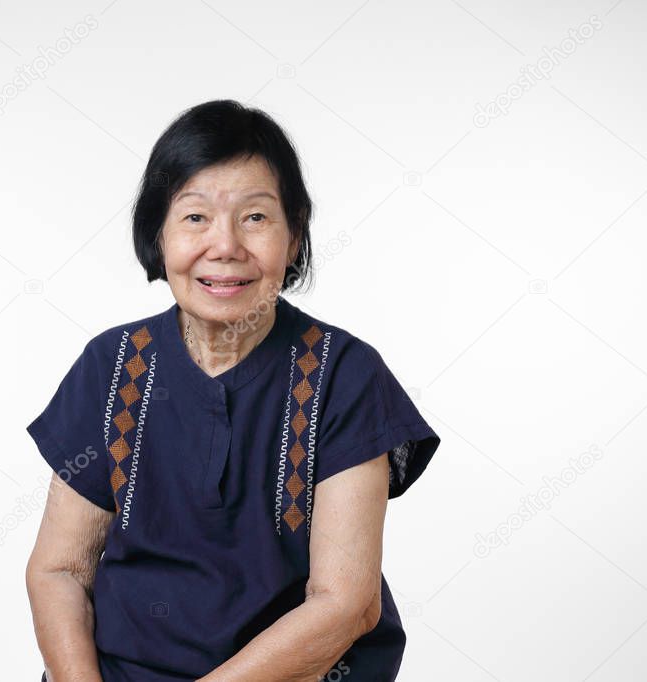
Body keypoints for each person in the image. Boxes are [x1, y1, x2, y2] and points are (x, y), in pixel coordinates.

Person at [25, 99, 441, 681]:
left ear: (294, 237)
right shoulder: (111, 366)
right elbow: (60, 570)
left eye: (255, 217)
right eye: (195, 217)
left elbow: (346, 603)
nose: (224, 246)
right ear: (158, 235)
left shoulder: (344, 373)